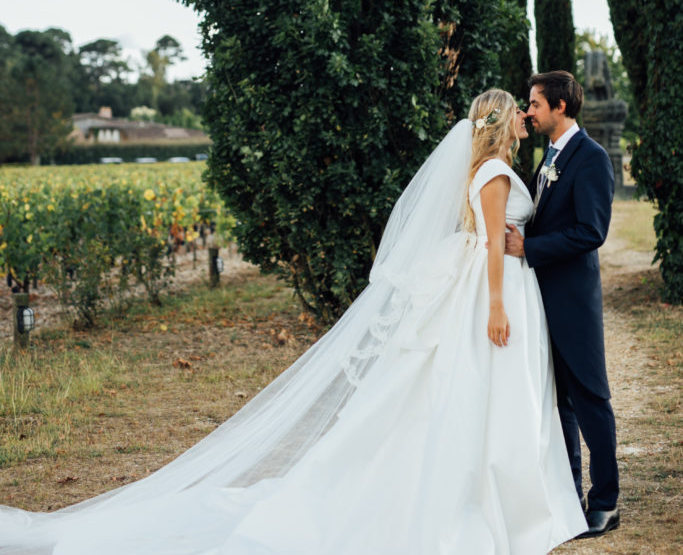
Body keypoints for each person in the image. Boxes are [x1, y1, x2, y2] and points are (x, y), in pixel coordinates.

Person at [0, 89, 586, 555]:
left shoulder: (494, 170)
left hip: (496, 283)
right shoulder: (494, 176)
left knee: (482, 395)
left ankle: (508, 490)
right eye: (519, 113)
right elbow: (488, 245)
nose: (524, 120)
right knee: (475, 394)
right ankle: (490, 497)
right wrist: (498, 306)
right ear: (501, 121)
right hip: (489, 291)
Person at [504, 70, 620, 539]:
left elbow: (592, 232)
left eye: (534, 103)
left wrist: (529, 249)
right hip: (539, 299)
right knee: (559, 404)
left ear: (560, 107)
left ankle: (607, 502)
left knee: (591, 398)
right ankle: (570, 495)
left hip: (573, 300)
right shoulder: (547, 158)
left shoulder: (590, 158)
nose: (528, 111)